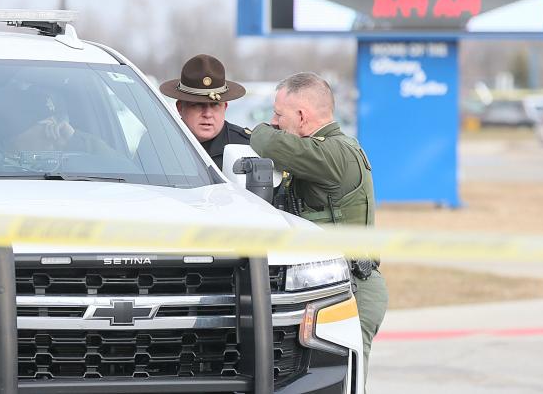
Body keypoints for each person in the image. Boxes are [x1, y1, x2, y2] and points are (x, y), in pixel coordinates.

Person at [249, 72, 388, 369]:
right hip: (331, 287)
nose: (274, 122)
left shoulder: (335, 153)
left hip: (352, 291)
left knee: (341, 381)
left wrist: (256, 131)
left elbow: (269, 144)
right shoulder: (322, 151)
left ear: (301, 116)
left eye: (278, 114)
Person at [159, 54, 251, 169]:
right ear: (180, 107)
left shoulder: (244, 146)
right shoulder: (159, 143)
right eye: (197, 105)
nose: (207, 114)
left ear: (225, 107)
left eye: (215, 105)